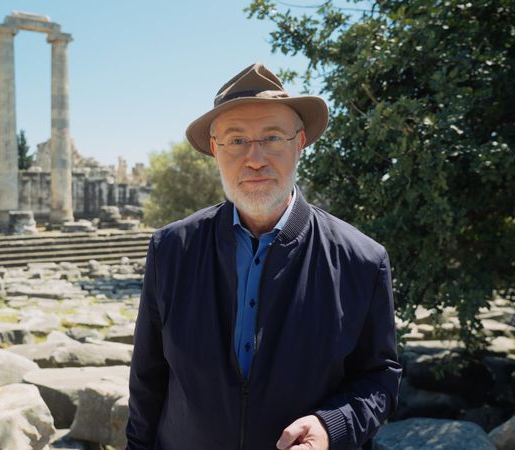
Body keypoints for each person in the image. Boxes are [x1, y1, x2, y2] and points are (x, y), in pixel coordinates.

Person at [126, 63, 402, 450]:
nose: (255, 159)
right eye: (236, 140)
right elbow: (147, 381)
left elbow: (380, 379)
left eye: (272, 137)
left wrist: (331, 426)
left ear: (299, 142)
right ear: (215, 150)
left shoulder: (363, 261)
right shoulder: (170, 250)